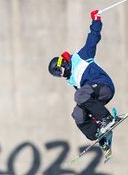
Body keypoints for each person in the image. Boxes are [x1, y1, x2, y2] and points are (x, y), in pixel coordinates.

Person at [48, 9, 118, 147]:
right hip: (93, 95)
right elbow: (87, 102)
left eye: (59, 70)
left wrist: (96, 21)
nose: (61, 75)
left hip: (103, 86)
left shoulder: (81, 56)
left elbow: (93, 38)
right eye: (57, 75)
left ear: (63, 63)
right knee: (77, 113)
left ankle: (106, 118)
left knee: (79, 94)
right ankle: (99, 134)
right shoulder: (72, 80)